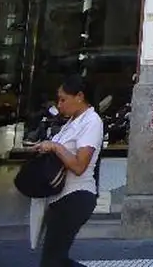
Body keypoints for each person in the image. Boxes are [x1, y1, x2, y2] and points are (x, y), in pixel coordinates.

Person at [32, 74, 104, 267]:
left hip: (75, 196)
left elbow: (79, 166)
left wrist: (55, 147)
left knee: (52, 261)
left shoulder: (92, 122)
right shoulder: (72, 122)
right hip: (60, 197)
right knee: (55, 259)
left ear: (79, 96)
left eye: (63, 100)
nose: (60, 105)